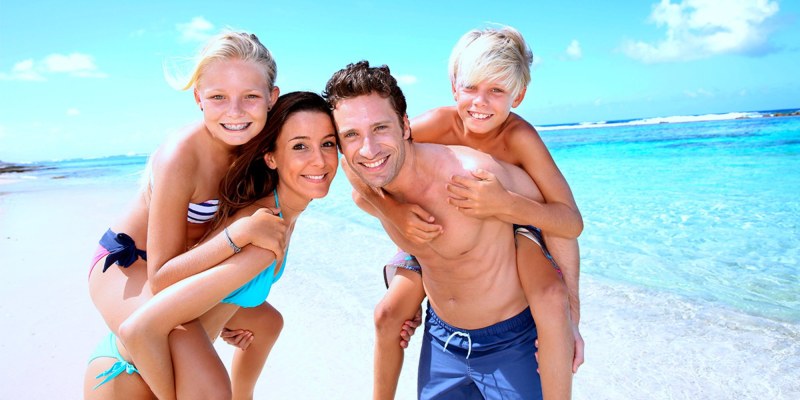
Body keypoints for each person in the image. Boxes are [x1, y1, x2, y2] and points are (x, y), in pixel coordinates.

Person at [367, 26, 584, 399]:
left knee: (550, 297)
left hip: (510, 226)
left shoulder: (519, 138)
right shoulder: (435, 125)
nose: (480, 102)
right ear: (455, 86)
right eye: (471, 88)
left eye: (497, 91)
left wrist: (506, 204)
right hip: (437, 230)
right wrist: (394, 212)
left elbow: (570, 221)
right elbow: (367, 166)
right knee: (388, 313)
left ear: (518, 95)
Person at [325, 60, 550, 399]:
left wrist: (568, 311)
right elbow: (354, 174)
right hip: (441, 338)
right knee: (386, 315)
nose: (368, 149)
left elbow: (556, 217)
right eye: (351, 135)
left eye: (381, 128)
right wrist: (394, 212)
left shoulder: (473, 176)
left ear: (405, 126)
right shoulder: (371, 194)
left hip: (510, 341)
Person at [84, 31, 286, 399]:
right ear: (198, 99)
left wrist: (220, 311)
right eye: (218, 97)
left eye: (251, 96)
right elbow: (161, 277)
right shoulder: (181, 156)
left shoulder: (261, 150)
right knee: (209, 386)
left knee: (267, 323)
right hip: (131, 266)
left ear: (271, 98)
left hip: (184, 267)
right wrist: (240, 234)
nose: (235, 111)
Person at [117, 91, 338, 400]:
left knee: (270, 322)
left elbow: (223, 297)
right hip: (135, 377)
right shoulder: (260, 234)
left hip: (173, 362)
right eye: (300, 146)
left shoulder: (278, 214)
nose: (320, 160)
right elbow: (139, 329)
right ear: (271, 157)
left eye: (328, 143)